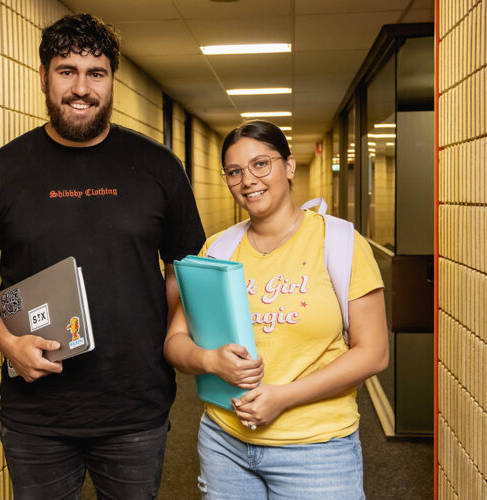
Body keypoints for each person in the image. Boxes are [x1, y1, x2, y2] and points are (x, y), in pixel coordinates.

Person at [0, 13, 205, 500]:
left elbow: (184, 271)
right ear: (43, 76)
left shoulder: (158, 168)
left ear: (112, 82)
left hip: (135, 408)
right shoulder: (1, 173)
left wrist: (166, 338)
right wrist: (7, 343)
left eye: (96, 73)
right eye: (67, 71)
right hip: (37, 415)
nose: (81, 88)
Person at [164, 121, 389, 499]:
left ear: (288, 166)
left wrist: (283, 397)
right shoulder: (216, 250)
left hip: (317, 449)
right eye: (234, 172)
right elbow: (175, 342)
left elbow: (374, 353)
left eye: (260, 164)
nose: (247, 180)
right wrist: (209, 360)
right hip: (225, 443)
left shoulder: (338, 242)